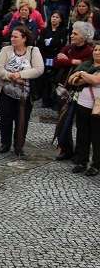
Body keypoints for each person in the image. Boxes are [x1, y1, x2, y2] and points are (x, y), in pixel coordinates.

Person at [0, 27, 45, 157]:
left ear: (24, 38)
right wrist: (9, 75)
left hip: (25, 93)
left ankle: (19, 145)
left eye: (15, 37)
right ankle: (5, 143)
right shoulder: (6, 50)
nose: (12, 39)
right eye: (11, 36)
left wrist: (20, 74)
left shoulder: (33, 50)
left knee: (22, 119)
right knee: (5, 118)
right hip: (6, 91)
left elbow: (39, 69)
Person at [54, 21, 95, 160]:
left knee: (79, 124)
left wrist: (69, 60)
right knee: (62, 121)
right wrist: (73, 61)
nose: (71, 35)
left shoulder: (89, 50)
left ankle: (79, 154)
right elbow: (57, 61)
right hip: (63, 89)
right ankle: (66, 149)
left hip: (79, 91)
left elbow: (84, 67)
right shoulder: (69, 47)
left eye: (75, 33)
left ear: (83, 36)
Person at [69, 44, 100, 176]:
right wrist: (84, 76)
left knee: (97, 136)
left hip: (98, 106)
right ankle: (82, 161)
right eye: (96, 49)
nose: (97, 52)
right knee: (82, 134)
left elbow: (96, 79)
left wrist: (81, 74)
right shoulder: (87, 64)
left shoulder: (83, 69)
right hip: (83, 103)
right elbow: (73, 81)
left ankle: (96, 165)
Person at [37, 11, 69, 111]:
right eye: (53, 16)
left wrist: (52, 48)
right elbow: (40, 44)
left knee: (54, 80)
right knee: (45, 79)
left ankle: (54, 101)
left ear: (61, 20)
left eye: (57, 17)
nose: (54, 18)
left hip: (55, 58)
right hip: (45, 57)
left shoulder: (63, 31)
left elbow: (60, 46)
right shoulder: (45, 31)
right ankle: (45, 100)